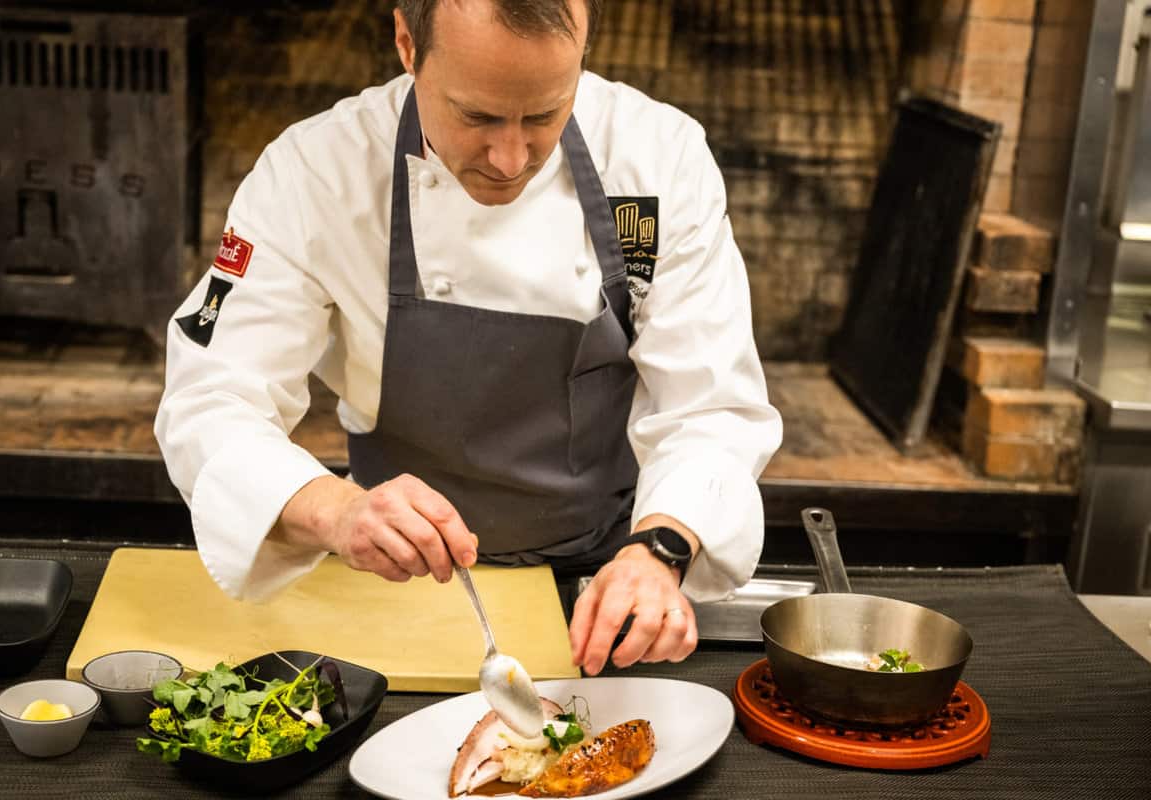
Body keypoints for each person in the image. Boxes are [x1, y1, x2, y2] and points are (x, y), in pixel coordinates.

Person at [154, 0, 782, 677]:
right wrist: (334, 510)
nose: (511, 160)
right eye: (477, 116)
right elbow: (210, 399)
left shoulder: (657, 164)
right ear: (406, 44)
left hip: (604, 584)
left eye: (544, 114)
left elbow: (711, 405)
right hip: (391, 585)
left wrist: (658, 552)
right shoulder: (314, 175)